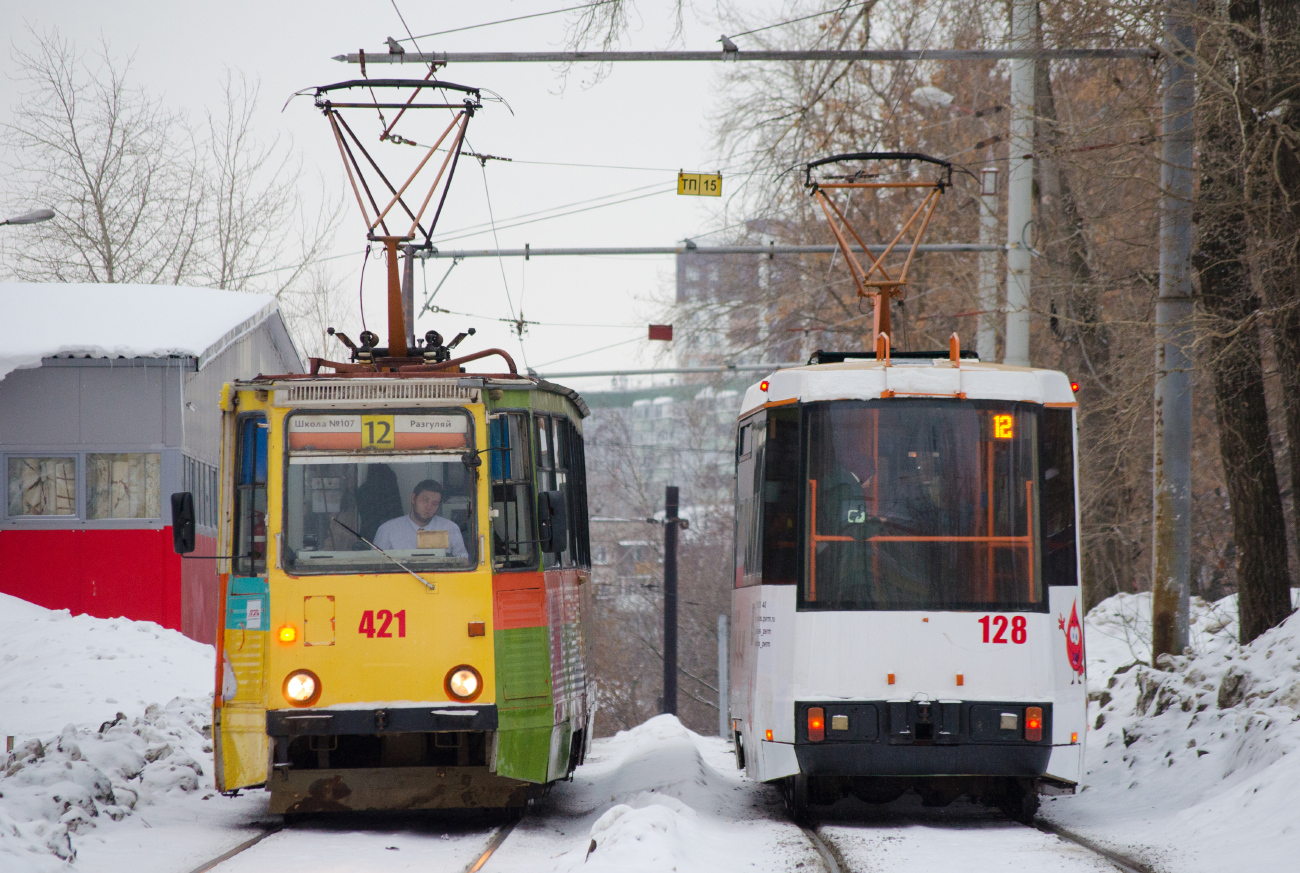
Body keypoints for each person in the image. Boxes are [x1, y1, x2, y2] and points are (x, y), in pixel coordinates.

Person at [372, 479, 468, 558]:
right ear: (413, 498)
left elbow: (463, 560)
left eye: (434, 504)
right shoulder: (387, 530)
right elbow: (374, 564)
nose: (429, 507)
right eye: (425, 500)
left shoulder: (450, 528)